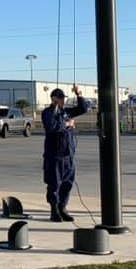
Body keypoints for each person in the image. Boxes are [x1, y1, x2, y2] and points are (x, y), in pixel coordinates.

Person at [41, 84, 88, 222]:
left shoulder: (66, 112)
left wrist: (78, 94)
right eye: (60, 98)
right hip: (54, 155)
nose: (62, 100)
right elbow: (51, 127)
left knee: (68, 183)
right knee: (54, 184)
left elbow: (83, 108)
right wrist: (67, 124)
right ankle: (54, 210)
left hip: (68, 155)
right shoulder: (47, 113)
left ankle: (63, 207)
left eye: (63, 98)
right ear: (53, 98)